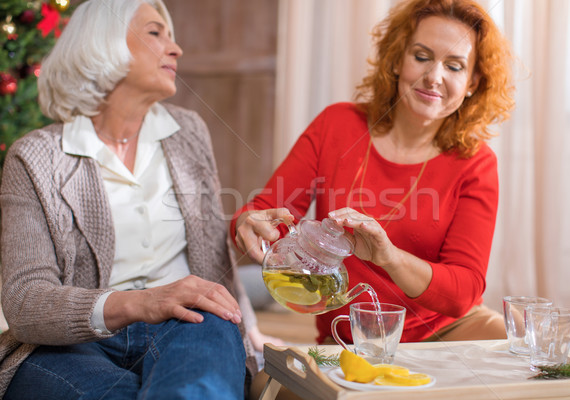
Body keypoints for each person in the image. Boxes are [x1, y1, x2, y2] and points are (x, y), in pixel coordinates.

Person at [0, 0, 273, 398]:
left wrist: (249, 331)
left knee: (202, 364)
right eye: (155, 33)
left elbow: (216, 261)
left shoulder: (188, 132)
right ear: (103, 43)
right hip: (70, 344)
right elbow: (25, 302)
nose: (176, 48)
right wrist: (142, 303)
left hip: (189, 327)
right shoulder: (36, 157)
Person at [233, 0, 515, 358]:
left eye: (454, 66)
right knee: (268, 390)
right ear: (397, 59)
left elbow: (463, 293)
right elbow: (263, 212)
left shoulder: (475, 162)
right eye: (422, 56)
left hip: (447, 335)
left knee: (527, 354)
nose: (434, 77)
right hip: (352, 339)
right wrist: (248, 222)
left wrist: (389, 257)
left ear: (472, 82)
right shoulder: (337, 125)